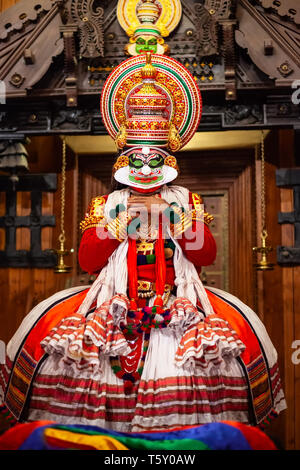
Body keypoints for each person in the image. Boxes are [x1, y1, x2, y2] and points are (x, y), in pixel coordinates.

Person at [0, 53, 286, 434]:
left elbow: (205, 254)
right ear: (123, 158)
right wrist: (120, 224)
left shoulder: (187, 201)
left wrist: (170, 217)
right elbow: (88, 260)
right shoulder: (107, 204)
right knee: (43, 330)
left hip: (178, 304)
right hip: (109, 301)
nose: (147, 168)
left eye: (156, 159)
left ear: (170, 159)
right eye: (137, 159)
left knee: (246, 334)